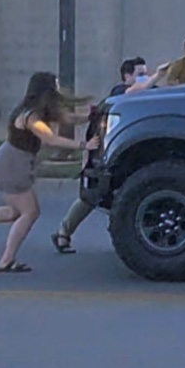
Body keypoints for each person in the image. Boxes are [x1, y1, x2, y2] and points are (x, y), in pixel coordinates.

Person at [0, 72, 96, 273]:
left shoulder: (38, 111)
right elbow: (50, 139)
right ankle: (6, 260)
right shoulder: (30, 116)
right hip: (11, 166)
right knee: (30, 212)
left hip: (11, 163)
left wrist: (90, 117)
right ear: (46, 90)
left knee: (15, 212)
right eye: (55, 86)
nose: (58, 90)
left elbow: (68, 118)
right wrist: (84, 145)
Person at [50, 58, 151, 254]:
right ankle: (63, 232)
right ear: (127, 76)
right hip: (102, 153)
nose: (144, 78)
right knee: (92, 196)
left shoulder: (145, 92)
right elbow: (131, 93)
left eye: (146, 74)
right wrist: (156, 77)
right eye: (140, 74)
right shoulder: (119, 91)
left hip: (124, 153)